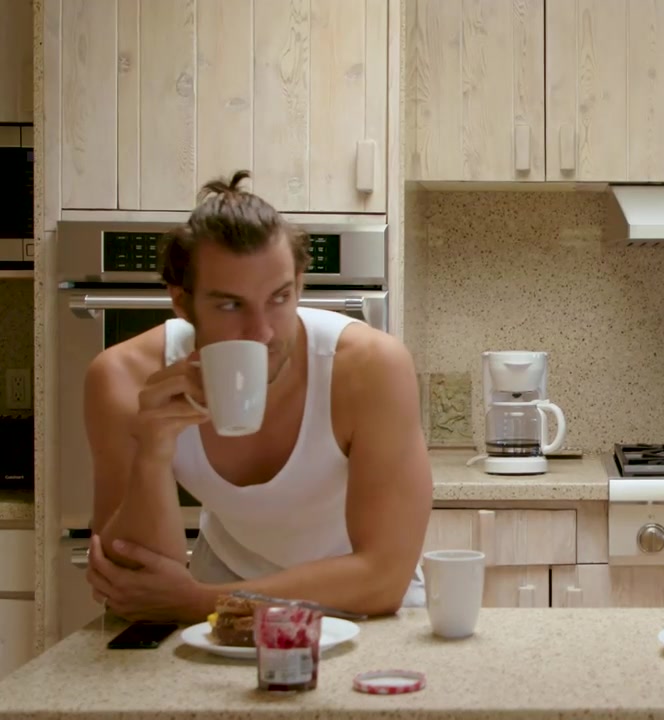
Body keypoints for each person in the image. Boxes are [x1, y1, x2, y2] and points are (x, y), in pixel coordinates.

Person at [84, 171, 433, 623]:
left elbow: (383, 577)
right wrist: (152, 455)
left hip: (354, 598)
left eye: (279, 298)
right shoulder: (124, 378)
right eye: (230, 305)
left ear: (300, 285)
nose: (262, 332)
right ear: (182, 303)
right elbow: (128, 582)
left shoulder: (370, 367)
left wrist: (200, 602)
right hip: (221, 584)